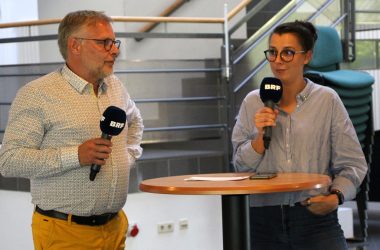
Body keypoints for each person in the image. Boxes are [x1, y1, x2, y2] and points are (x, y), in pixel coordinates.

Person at [0, 10, 143, 250]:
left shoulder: (116, 87)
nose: (115, 50)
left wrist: (126, 156)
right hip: (65, 232)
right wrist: (75, 155)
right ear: (75, 45)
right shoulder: (37, 94)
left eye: (114, 42)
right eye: (104, 42)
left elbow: (135, 121)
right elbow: (9, 160)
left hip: (115, 227)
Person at [232, 20, 367, 250]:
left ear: (307, 57)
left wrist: (335, 198)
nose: (277, 61)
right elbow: (240, 166)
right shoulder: (253, 101)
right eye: (273, 52)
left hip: (314, 219)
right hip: (262, 220)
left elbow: (353, 164)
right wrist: (259, 140)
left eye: (288, 53)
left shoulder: (327, 100)